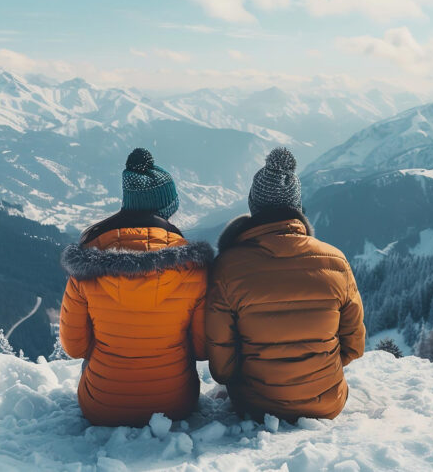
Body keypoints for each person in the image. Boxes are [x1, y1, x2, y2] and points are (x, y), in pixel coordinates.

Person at [206, 147, 365, 422]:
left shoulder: (228, 267)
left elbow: (222, 368)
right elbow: (354, 346)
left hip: (256, 405)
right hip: (327, 402)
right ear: (296, 207)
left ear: (253, 206)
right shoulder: (335, 262)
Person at [59, 148, 213, 427]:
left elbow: (75, 346)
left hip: (101, 406)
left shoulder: (88, 263)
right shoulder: (192, 267)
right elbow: (202, 348)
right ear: (165, 209)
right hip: (175, 405)